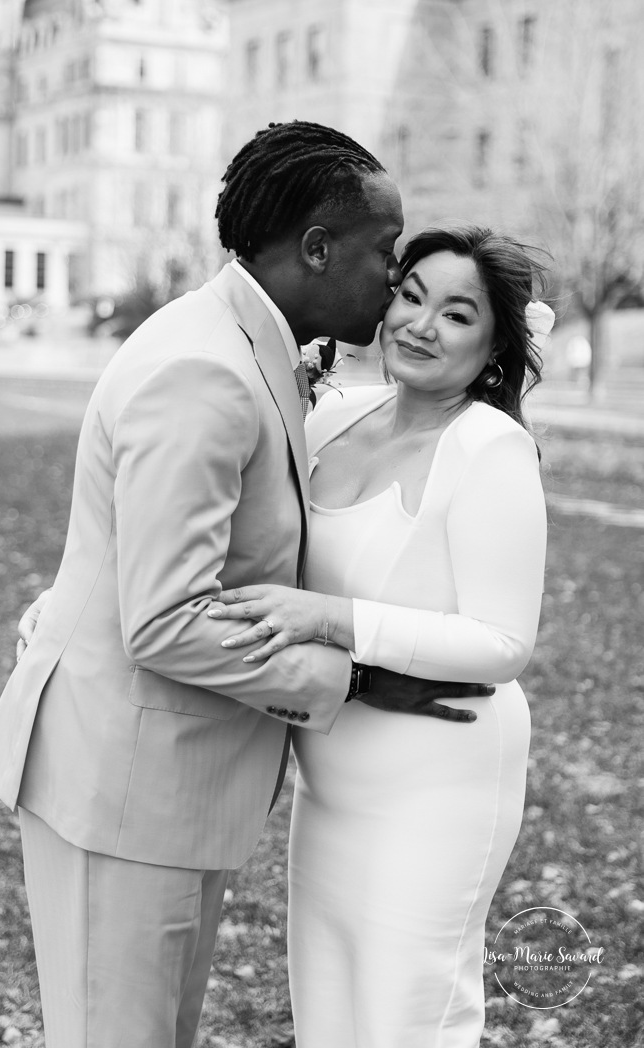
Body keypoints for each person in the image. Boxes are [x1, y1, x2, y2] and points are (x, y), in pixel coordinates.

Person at [0, 124, 487, 1048]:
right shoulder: (203, 370)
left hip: (165, 784)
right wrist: (358, 680)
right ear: (316, 248)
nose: (392, 275)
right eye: (382, 252)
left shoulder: (252, 344)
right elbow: (166, 620)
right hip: (122, 791)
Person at [209, 225, 553, 1047]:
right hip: (328, 781)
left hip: (437, 783)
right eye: (411, 296)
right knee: (328, 1019)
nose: (419, 325)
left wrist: (332, 620)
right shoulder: (331, 419)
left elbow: (502, 643)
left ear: (496, 345)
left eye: (456, 314)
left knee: (410, 1020)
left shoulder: (487, 447)